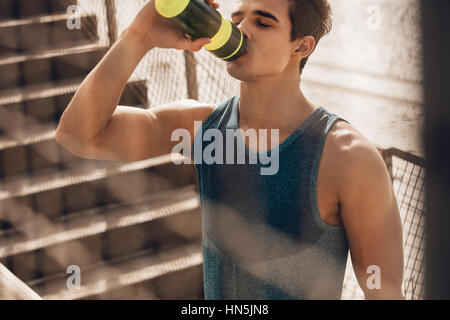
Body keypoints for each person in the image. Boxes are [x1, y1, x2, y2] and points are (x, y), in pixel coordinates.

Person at [55, 0, 404, 299]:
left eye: (263, 22)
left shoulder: (348, 158)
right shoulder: (201, 127)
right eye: (237, 19)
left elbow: (384, 292)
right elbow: (79, 135)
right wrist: (140, 35)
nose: (242, 29)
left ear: (301, 46)